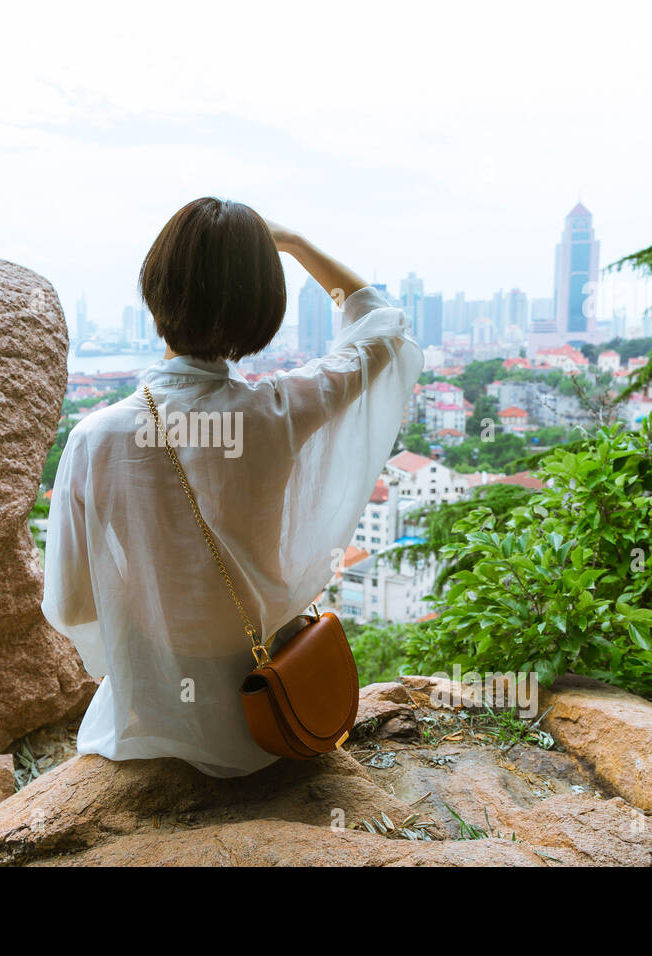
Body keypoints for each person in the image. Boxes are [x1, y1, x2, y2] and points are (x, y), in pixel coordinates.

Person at [42, 197, 424, 777]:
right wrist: (292, 242)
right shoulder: (282, 408)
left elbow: (70, 603)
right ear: (264, 314)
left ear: (154, 293)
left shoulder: (98, 438)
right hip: (271, 701)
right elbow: (382, 327)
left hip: (149, 716)